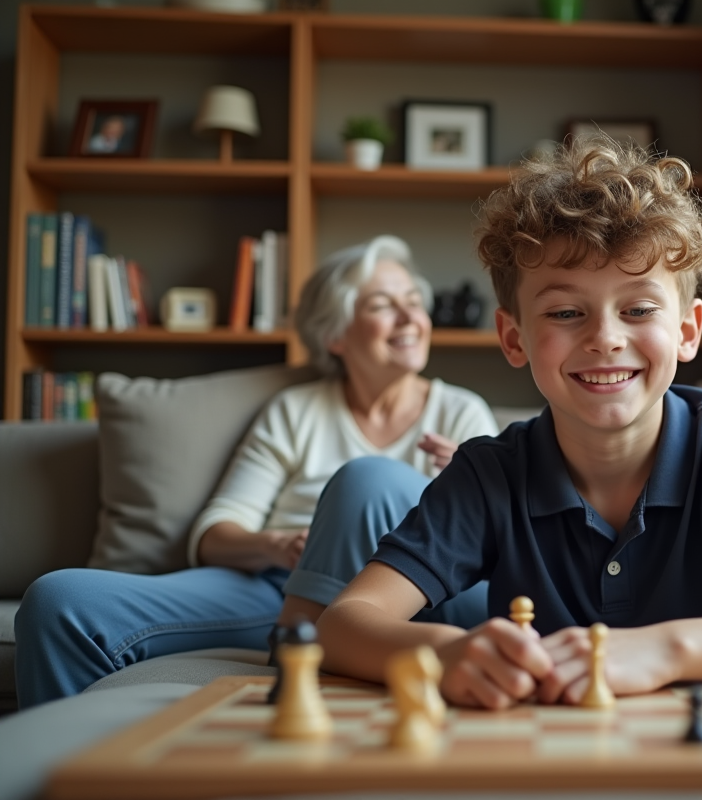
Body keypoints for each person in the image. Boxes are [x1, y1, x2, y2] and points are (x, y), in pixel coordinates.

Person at [315, 138, 702, 709]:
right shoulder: (489, 473)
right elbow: (343, 624)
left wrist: (666, 650)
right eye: (566, 312)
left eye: (639, 309)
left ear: (687, 330)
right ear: (513, 337)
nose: (605, 338)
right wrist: (446, 654)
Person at [14, 236, 498, 708]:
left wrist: (470, 482)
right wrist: (275, 544)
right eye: (382, 305)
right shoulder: (296, 410)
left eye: (415, 301)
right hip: (278, 588)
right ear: (334, 334)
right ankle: (71, 777)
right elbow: (214, 533)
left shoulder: (460, 413)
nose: (411, 317)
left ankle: (301, 661)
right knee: (59, 602)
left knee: (365, 478)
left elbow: (494, 554)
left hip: (406, 596)